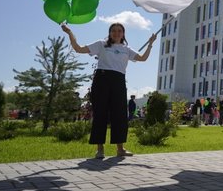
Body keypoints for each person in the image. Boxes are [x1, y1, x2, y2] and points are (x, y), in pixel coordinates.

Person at [62, 23, 156, 159]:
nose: (116, 33)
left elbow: (142, 58)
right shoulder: (101, 44)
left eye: (119, 31)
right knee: (100, 114)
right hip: (102, 80)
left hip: (119, 81)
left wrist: (150, 44)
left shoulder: (126, 49)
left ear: (123, 34)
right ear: (109, 33)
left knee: (120, 115)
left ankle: (120, 148)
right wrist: (70, 33)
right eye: (113, 31)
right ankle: (99, 149)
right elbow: (78, 49)